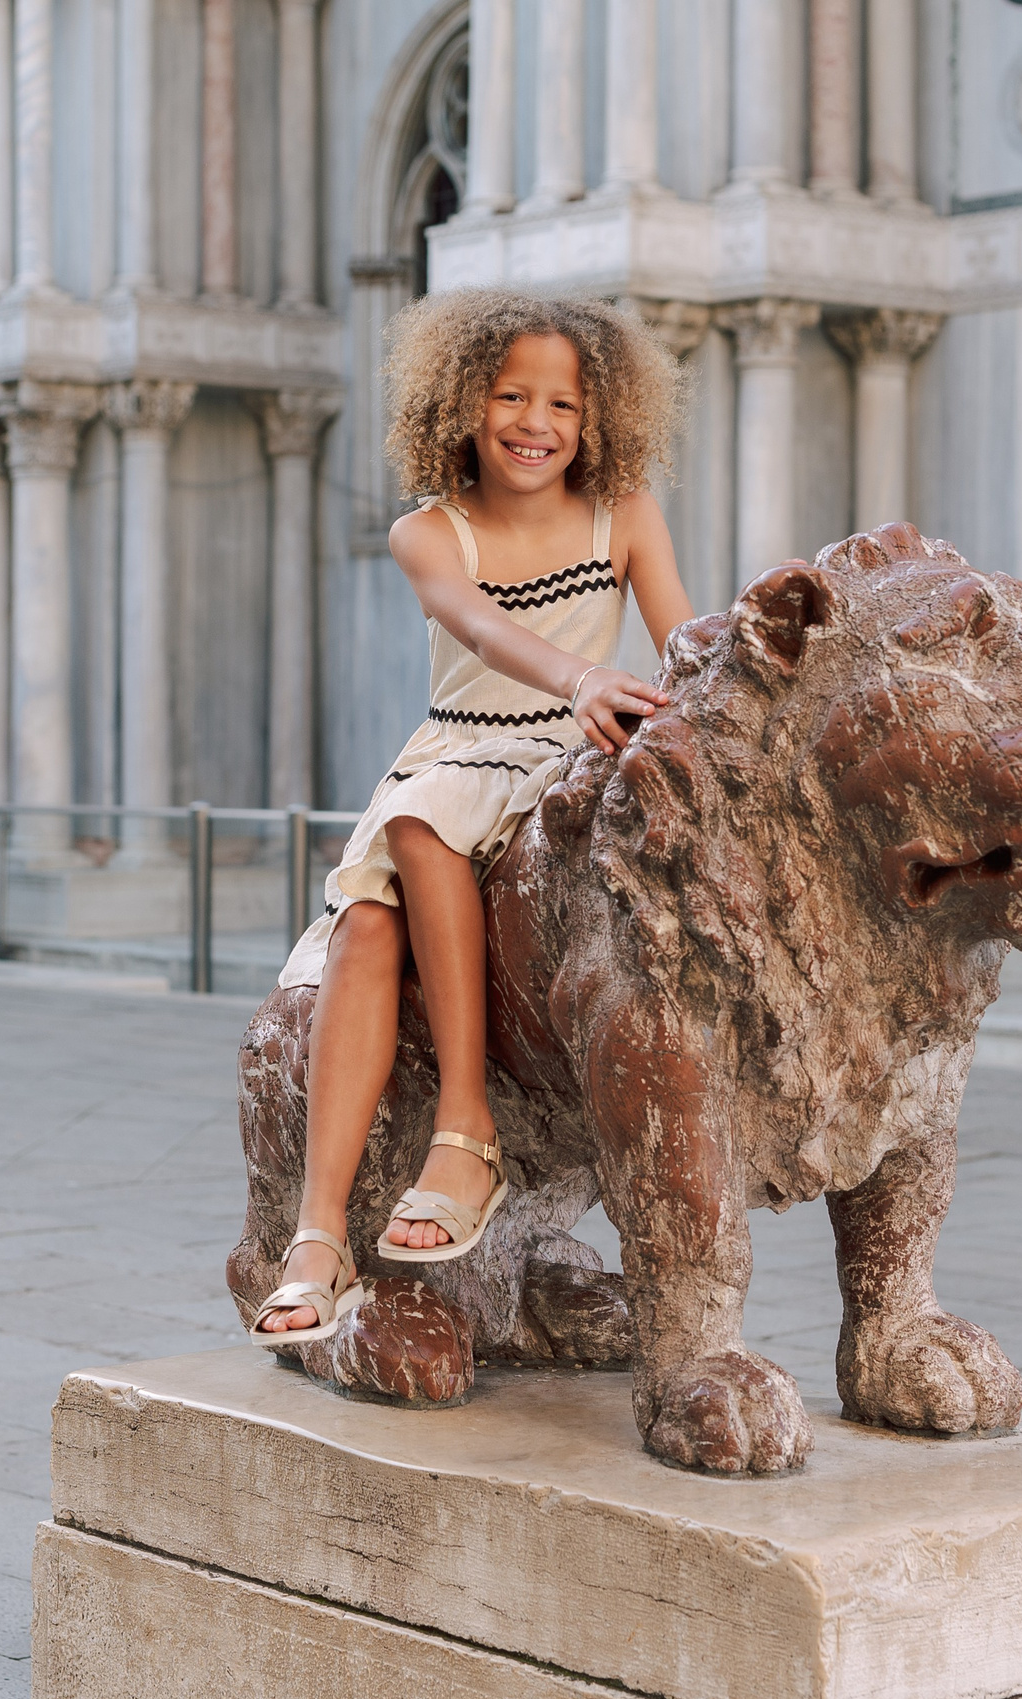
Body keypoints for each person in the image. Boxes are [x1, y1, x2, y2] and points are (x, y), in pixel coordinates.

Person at [251, 290, 694, 1343]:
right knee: (375, 906)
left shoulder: (626, 512)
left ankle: (465, 1131)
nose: (536, 422)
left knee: (418, 829)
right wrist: (580, 673)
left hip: (568, 752)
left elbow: (685, 642)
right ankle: (322, 1229)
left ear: (597, 418)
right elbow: (482, 628)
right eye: (510, 396)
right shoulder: (427, 532)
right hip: (459, 750)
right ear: (460, 401)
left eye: (563, 404)